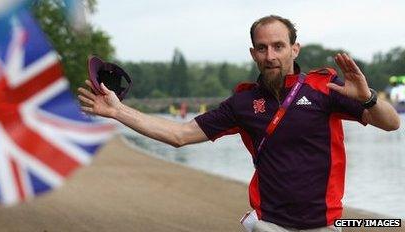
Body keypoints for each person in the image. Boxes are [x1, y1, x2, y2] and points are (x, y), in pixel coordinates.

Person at [78, 15, 400, 231]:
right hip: (270, 223)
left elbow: (390, 124)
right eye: (262, 48)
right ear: (253, 53)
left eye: (278, 46)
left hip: (325, 223)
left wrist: (368, 97)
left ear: (294, 49)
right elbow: (179, 134)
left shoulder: (324, 88)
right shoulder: (243, 103)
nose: (270, 55)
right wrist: (119, 111)